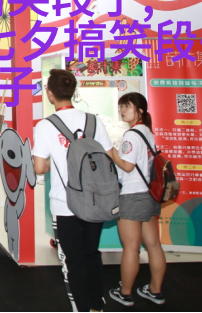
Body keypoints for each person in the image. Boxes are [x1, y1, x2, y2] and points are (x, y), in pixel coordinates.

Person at [32, 69, 113, 313]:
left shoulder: (45, 125)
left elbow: (39, 168)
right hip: (95, 200)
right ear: (74, 91)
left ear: (50, 94)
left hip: (64, 203)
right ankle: (96, 305)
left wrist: (53, 162)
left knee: (73, 261)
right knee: (92, 254)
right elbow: (109, 158)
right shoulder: (94, 121)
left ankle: (81, 307)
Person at [108, 93, 166, 307]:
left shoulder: (131, 135)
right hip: (150, 195)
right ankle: (155, 290)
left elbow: (127, 166)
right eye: (121, 106)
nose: (122, 110)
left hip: (132, 196)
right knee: (154, 245)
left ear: (140, 110)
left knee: (131, 248)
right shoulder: (147, 132)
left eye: (127, 106)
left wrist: (110, 150)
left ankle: (125, 293)